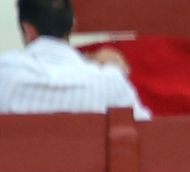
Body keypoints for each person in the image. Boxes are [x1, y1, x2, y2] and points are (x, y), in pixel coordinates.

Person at [0, 0, 151, 119]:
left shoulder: (5, 74)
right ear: (72, 24)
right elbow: (145, 132)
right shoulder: (111, 81)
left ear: (27, 30)